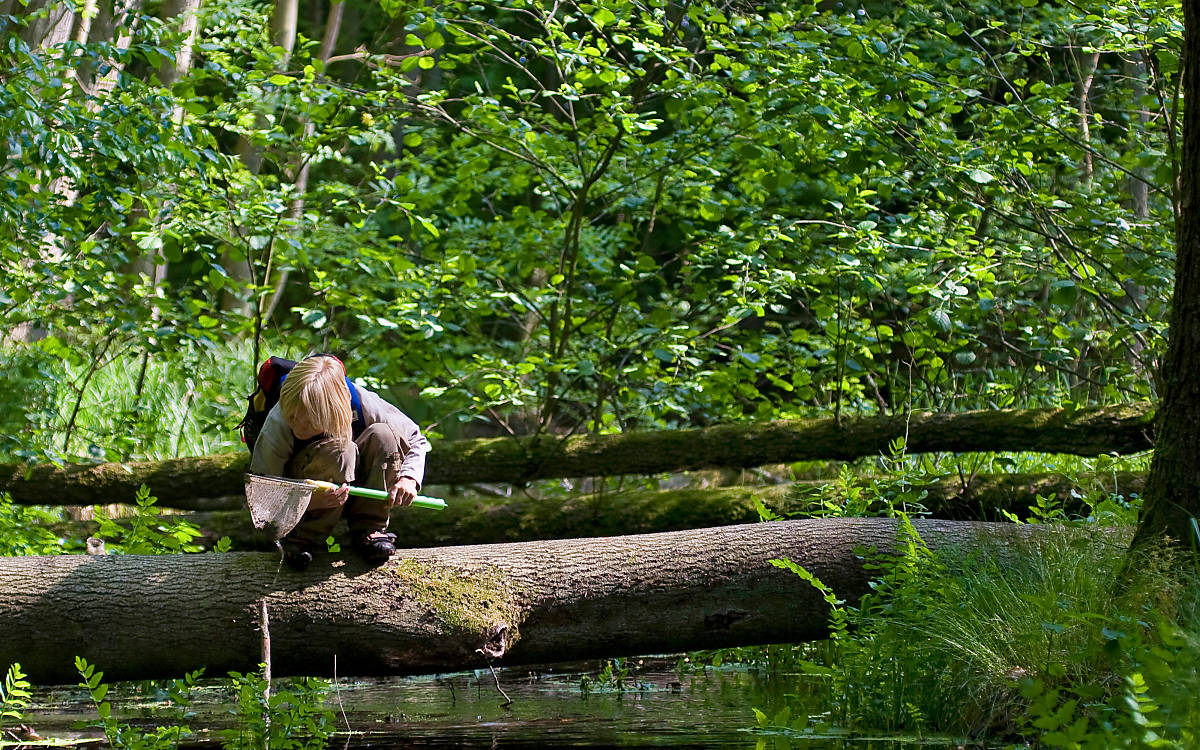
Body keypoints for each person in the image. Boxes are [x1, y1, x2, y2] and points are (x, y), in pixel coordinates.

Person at [249, 354, 430, 570]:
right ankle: (300, 539)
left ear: (333, 411)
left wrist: (409, 477)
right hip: (300, 500)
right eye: (292, 418)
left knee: (384, 436)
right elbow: (261, 494)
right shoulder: (279, 420)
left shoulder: (361, 403)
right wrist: (307, 500)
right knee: (340, 451)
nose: (297, 426)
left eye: (307, 422)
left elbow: (415, 438)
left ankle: (370, 529)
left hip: (355, 484)